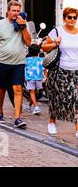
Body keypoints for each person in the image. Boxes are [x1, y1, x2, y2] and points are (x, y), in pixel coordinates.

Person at [0, 0, 31, 128]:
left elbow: (28, 42)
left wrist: (23, 27)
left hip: (19, 62)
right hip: (3, 62)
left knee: (18, 88)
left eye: (18, 11)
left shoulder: (23, 24)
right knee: (2, 88)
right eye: (13, 10)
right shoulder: (0, 24)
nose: (16, 13)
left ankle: (17, 117)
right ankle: (0, 111)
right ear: (8, 11)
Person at [41, 7, 78, 137]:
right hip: (60, 70)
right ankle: (52, 123)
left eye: (74, 17)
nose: (72, 20)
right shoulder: (57, 31)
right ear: (64, 18)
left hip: (76, 71)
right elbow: (44, 47)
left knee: (76, 100)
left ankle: (77, 129)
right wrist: (54, 44)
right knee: (57, 98)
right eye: (70, 17)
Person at [24, 44, 43, 115]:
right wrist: (45, 77)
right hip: (39, 78)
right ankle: (29, 106)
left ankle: (36, 107)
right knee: (34, 93)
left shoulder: (26, 60)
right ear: (38, 51)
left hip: (30, 78)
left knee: (32, 93)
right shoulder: (41, 60)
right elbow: (44, 69)